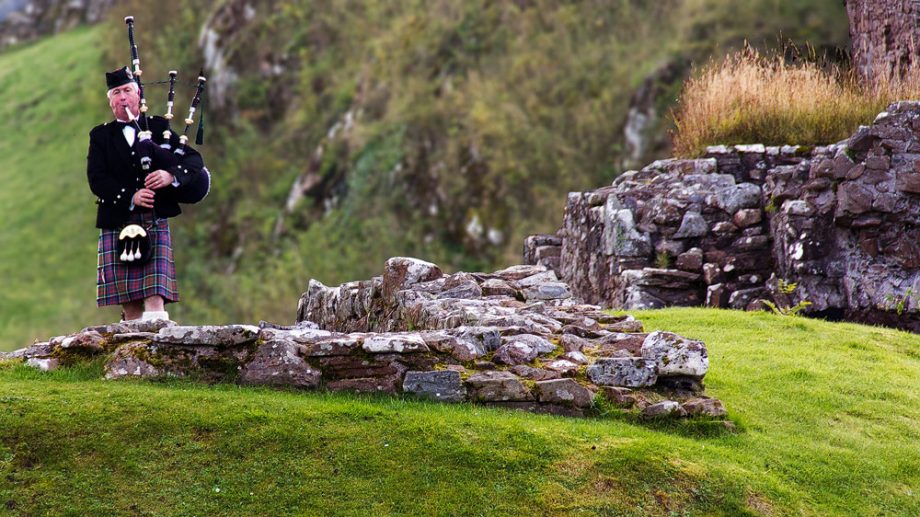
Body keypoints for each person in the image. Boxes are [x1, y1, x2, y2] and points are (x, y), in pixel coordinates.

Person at [87, 67, 206, 321]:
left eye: (127, 90)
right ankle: (129, 355)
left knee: (154, 295)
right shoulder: (101, 135)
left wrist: (170, 176)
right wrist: (131, 195)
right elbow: (97, 180)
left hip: (154, 218)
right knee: (129, 301)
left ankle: (156, 351)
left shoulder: (158, 128)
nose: (122, 98)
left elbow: (194, 161)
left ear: (138, 94)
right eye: (116, 93)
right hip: (117, 219)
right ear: (110, 101)